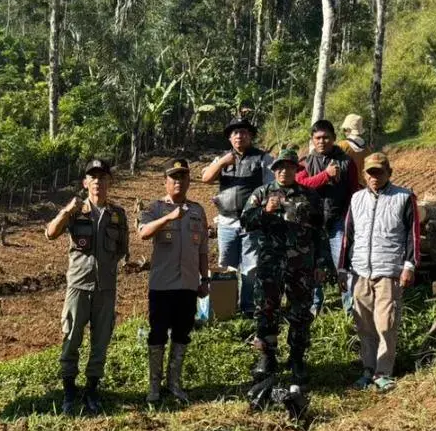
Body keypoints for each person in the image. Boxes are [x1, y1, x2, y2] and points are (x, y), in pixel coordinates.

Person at [241, 148, 328, 421]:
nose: (284, 171)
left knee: (300, 313)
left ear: (295, 169)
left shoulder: (310, 196)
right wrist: (265, 212)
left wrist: (323, 263)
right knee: (266, 311)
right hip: (270, 265)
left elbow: (320, 232)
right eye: (279, 167)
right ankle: (267, 357)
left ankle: (297, 358)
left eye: (289, 167)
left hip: (301, 265)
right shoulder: (262, 193)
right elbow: (246, 221)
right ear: (274, 169)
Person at [45, 158, 130, 415]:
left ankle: (92, 389)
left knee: (100, 342)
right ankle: (69, 390)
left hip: (106, 289)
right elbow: (50, 233)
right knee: (71, 338)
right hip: (78, 286)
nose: (98, 182)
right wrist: (66, 211)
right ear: (85, 183)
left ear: (109, 182)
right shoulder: (76, 211)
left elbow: (121, 249)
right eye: (93, 178)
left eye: (103, 177)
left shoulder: (118, 215)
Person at [340, 152, 420, 392]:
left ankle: (383, 371)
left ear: (389, 173)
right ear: (364, 175)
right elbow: (348, 235)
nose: (374, 177)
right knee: (364, 324)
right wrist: (343, 268)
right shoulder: (356, 199)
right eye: (370, 173)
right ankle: (367, 369)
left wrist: (409, 265)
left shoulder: (404, 198)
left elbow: (412, 235)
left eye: (379, 173)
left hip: (389, 270)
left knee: (386, 323)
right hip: (360, 270)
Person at [138, 158, 211, 403]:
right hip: (162, 285)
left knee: (182, 334)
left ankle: (174, 383)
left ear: (189, 181)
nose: (178, 182)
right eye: (174, 177)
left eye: (183, 177)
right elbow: (143, 233)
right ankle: (154, 387)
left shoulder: (198, 211)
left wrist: (205, 279)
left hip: (188, 284)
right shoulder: (155, 208)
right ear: (165, 182)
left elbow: (202, 249)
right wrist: (169, 219)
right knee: (157, 334)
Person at [201, 116, 273, 315]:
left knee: (250, 268)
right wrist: (224, 162)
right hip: (226, 221)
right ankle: (226, 307)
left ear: (250, 135)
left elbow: (271, 186)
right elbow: (206, 178)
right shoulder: (222, 158)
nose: (239, 136)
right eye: (235, 133)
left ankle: (247, 306)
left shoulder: (263, 158)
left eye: (243, 132)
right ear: (230, 138)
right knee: (226, 265)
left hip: (252, 222)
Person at [296, 120, 358, 314]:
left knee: (342, 264)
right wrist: (326, 175)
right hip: (313, 221)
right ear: (312, 140)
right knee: (314, 263)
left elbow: (353, 191)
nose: (322, 141)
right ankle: (316, 305)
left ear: (334, 139)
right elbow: (301, 185)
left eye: (326, 137)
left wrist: (350, 218)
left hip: (337, 220)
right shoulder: (306, 162)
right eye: (318, 138)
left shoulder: (346, 162)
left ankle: (349, 306)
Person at [338, 114, 371, 187]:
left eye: (344, 129)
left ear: (348, 130)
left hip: (346, 188)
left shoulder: (342, 146)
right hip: (364, 188)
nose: (344, 132)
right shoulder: (367, 149)